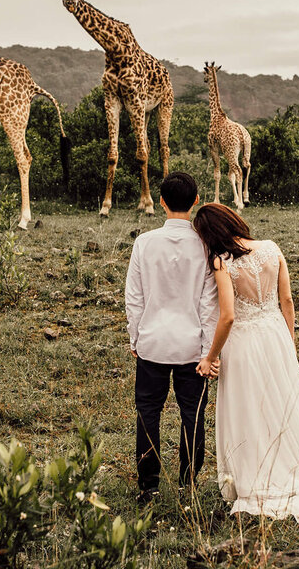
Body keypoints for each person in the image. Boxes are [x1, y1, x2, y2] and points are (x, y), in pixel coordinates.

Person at [192, 203, 299, 522]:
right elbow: (287, 300)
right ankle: (297, 466)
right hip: (276, 333)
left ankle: (256, 475)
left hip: (244, 342)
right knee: (283, 404)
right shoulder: (271, 248)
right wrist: (287, 341)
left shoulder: (222, 262)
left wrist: (210, 357)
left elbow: (227, 316)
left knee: (249, 407)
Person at [124, 172, 219, 504]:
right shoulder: (206, 244)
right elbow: (210, 304)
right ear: (196, 201)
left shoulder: (144, 243)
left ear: (160, 201)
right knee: (192, 414)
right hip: (193, 347)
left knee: (148, 412)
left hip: (152, 342)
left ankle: (148, 486)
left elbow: (133, 297)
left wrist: (135, 337)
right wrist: (210, 351)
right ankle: (187, 483)